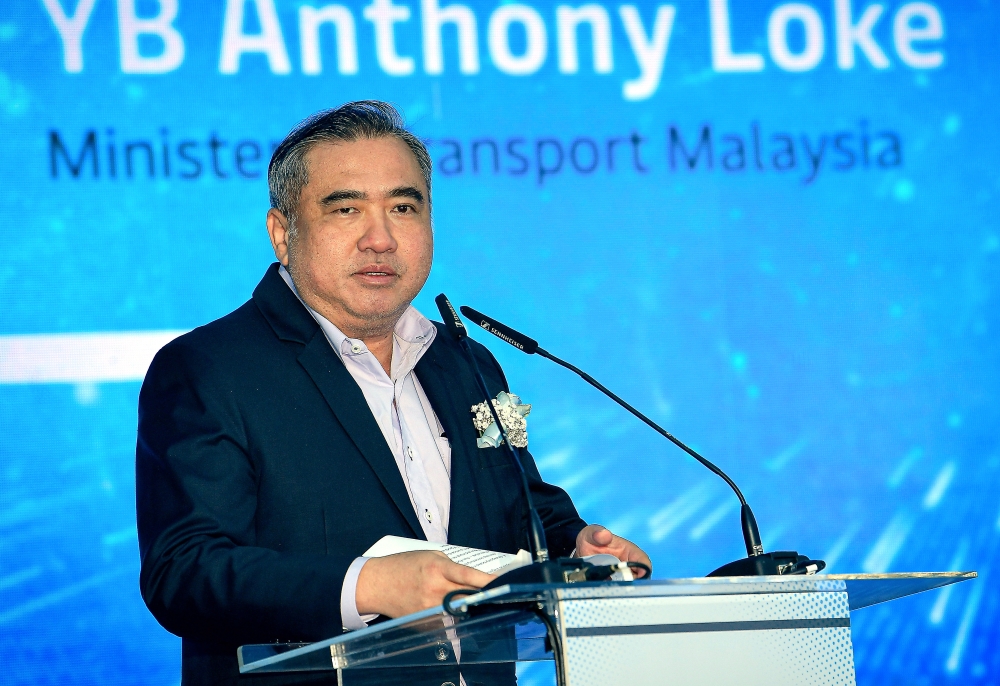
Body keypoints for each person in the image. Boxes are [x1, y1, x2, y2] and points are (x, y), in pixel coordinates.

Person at [135, 101, 651, 686]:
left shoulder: (464, 362)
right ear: (283, 232)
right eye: (347, 208)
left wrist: (576, 551)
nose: (380, 239)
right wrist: (369, 584)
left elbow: (520, 512)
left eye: (403, 207)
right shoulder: (209, 368)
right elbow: (184, 572)